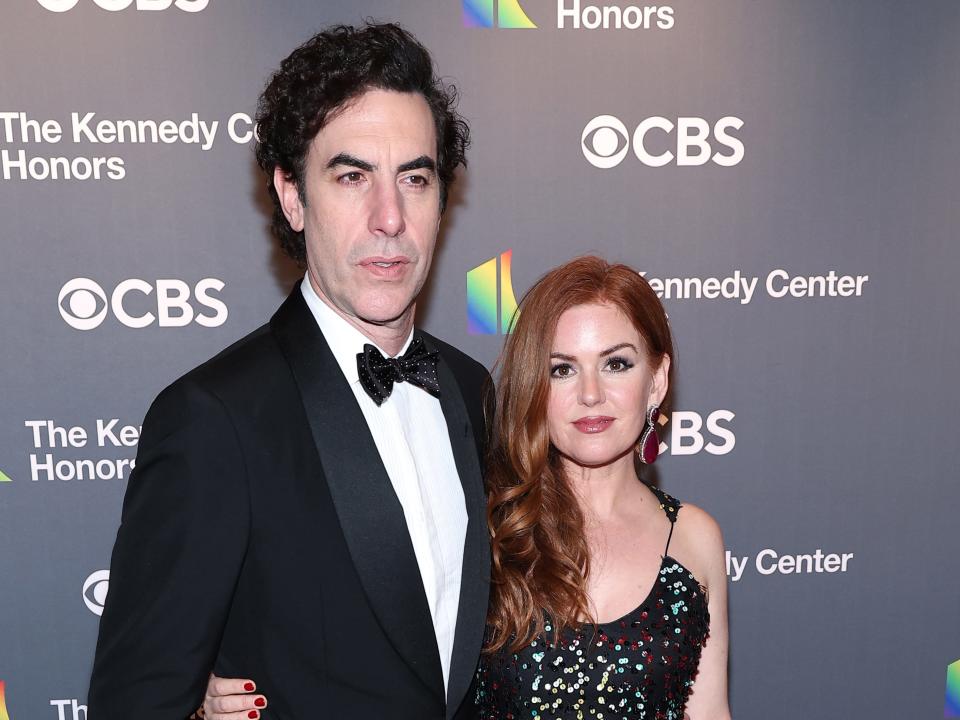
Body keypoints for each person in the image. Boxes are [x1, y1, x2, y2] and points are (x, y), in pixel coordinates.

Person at [87, 23, 491, 720]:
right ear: (292, 196)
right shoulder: (214, 419)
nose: (389, 217)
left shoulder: (471, 390)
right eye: (351, 176)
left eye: (415, 179)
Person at [204, 257, 731, 719]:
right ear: (534, 387)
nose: (591, 394)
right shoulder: (485, 522)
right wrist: (221, 689)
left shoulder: (694, 538)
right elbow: (351, 628)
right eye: (562, 370)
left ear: (656, 381)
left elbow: (708, 712)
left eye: (617, 363)